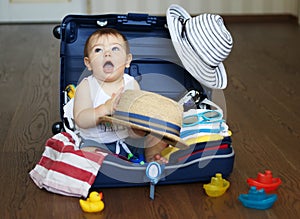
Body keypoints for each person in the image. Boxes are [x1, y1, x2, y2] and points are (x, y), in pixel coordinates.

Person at [73, 28, 168, 163]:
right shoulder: (87, 86)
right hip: (98, 144)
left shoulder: (131, 84)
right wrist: (105, 109)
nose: (107, 54)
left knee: (159, 134)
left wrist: (139, 129)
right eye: (98, 50)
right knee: (87, 153)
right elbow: (81, 120)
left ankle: (152, 160)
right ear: (88, 63)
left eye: (115, 49)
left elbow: (133, 131)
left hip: (127, 142)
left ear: (127, 60)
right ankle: (110, 165)